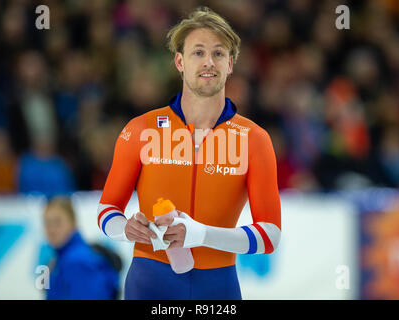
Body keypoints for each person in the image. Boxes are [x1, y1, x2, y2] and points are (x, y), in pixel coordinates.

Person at [98, 7, 281, 300]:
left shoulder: (254, 139)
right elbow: (107, 209)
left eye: (218, 54)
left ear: (231, 63)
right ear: (180, 61)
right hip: (149, 281)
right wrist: (126, 228)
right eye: (198, 52)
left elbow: (270, 235)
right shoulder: (141, 129)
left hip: (218, 286)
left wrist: (202, 234)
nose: (209, 62)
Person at [43, 196, 120, 300]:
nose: (51, 230)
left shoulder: (77, 261)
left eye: (57, 223)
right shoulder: (59, 259)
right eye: (47, 223)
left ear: (73, 223)